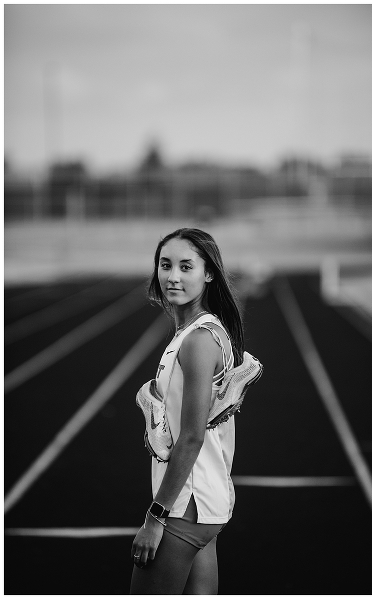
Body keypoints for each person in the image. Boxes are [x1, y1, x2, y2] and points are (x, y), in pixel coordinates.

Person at [131, 228, 245, 594]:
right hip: (205, 504)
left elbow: (192, 435)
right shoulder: (198, 332)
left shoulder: (198, 340)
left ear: (208, 273)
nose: (173, 276)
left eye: (186, 266)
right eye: (165, 265)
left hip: (184, 507)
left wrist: (156, 516)